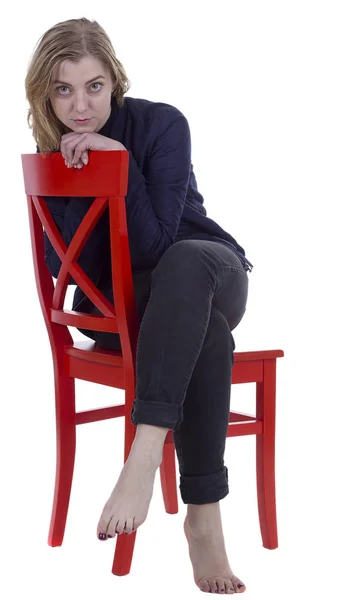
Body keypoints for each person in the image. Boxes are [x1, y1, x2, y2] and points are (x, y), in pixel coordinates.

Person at [25, 17, 253, 594]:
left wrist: (117, 160)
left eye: (94, 86)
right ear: (44, 93)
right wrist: (91, 175)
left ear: (114, 80)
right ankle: (204, 521)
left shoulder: (162, 125)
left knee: (185, 262)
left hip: (210, 272)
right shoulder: (55, 155)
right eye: (63, 89)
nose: (80, 107)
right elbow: (66, 269)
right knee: (209, 339)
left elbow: (157, 247)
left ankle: (144, 452)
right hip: (132, 317)